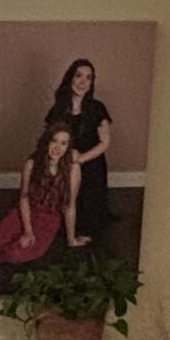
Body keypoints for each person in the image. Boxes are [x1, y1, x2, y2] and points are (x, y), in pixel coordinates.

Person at [0, 123, 79, 269]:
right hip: (25, 212)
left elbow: (70, 205)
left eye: (63, 143)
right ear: (46, 141)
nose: (58, 147)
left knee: (15, 254)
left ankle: (6, 248)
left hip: (48, 221)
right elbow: (24, 198)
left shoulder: (72, 168)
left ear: (68, 146)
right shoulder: (32, 164)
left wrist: (71, 239)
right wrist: (28, 231)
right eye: (54, 141)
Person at [45, 58, 115, 239]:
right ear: (70, 78)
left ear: (92, 83)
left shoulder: (97, 108)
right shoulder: (58, 110)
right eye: (79, 76)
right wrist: (65, 160)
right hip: (65, 162)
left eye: (88, 78)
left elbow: (105, 142)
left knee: (89, 219)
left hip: (91, 162)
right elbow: (50, 142)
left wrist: (80, 159)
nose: (83, 82)